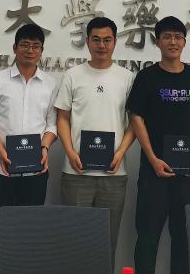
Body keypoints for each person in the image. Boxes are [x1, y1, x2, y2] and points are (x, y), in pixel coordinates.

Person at [127, 16, 190, 274]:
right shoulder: (146, 77)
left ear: (184, 42)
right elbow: (135, 117)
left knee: (184, 238)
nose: (173, 42)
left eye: (178, 37)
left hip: (187, 173)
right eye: (167, 37)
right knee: (148, 237)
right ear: (158, 41)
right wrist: (152, 158)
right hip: (154, 172)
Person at [0, 24, 58, 274]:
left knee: (28, 234)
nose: (30, 50)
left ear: (41, 51)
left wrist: (45, 148)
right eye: (25, 45)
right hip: (0, 170)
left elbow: (52, 124)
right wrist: (2, 151)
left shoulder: (50, 84)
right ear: (14, 48)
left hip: (36, 171)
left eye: (35, 46)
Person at [55, 16, 135, 266]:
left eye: (107, 40)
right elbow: (62, 118)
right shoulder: (72, 75)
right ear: (87, 41)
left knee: (106, 242)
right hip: (76, 172)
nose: (102, 45)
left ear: (115, 42)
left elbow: (134, 123)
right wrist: (70, 152)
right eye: (96, 40)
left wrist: (120, 152)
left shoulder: (127, 78)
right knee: (74, 241)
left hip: (114, 173)